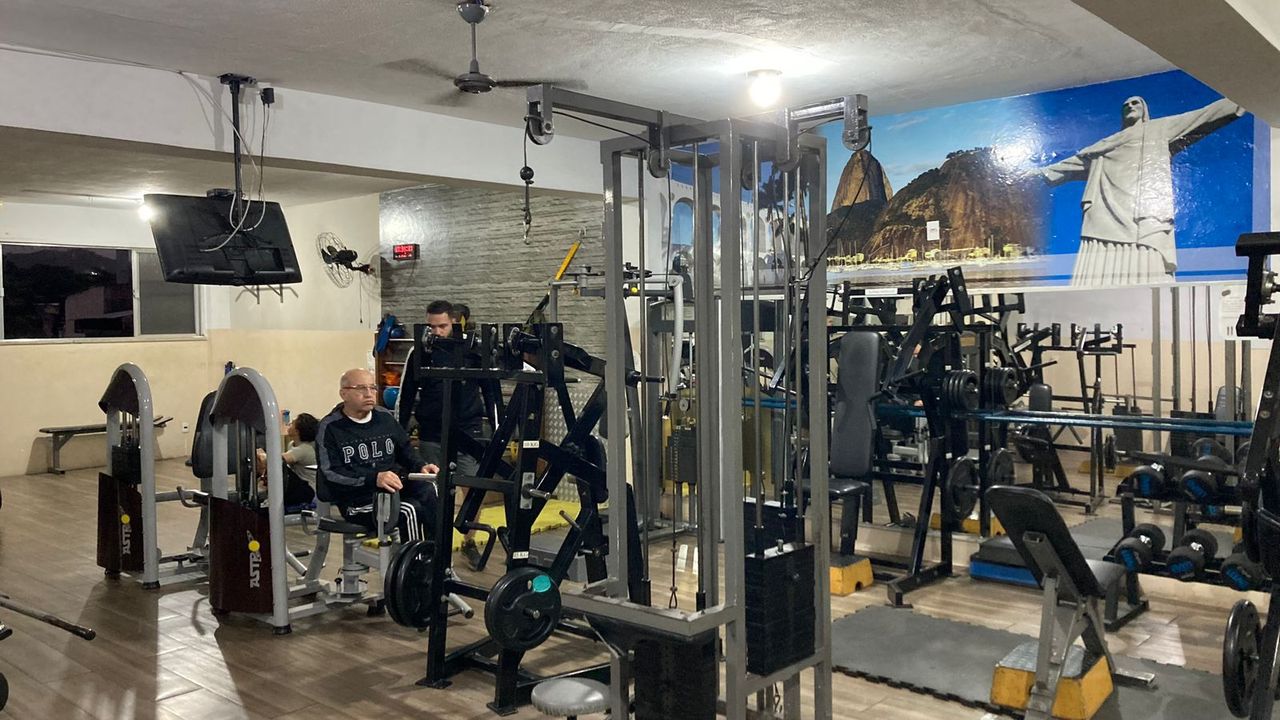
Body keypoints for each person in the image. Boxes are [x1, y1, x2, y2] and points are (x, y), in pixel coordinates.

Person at [1038, 95, 1243, 287]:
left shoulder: (1158, 129)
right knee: (1099, 260)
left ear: (1144, 110)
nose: (1130, 106)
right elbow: (1073, 163)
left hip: (1142, 208)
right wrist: (1038, 174)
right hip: (1104, 208)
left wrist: (1239, 99)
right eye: (1126, 105)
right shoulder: (1105, 144)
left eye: (1135, 103)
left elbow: (1200, 117)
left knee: (1145, 255)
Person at [316, 368, 440, 542]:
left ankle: (436, 554)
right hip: (357, 501)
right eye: (361, 388)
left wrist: (421, 466)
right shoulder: (329, 427)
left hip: (392, 491)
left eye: (372, 388)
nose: (369, 394)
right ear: (344, 394)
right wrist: (373, 479)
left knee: (430, 489)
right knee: (410, 510)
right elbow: (330, 474)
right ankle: (417, 560)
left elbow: (405, 451)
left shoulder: (384, 417)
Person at [254, 412, 319, 509]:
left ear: (297, 431)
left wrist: (260, 455)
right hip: (301, 485)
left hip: (309, 491)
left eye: (292, 424)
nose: (289, 425)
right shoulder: (292, 444)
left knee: (279, 466)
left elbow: (277, 460)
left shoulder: (305, 449)